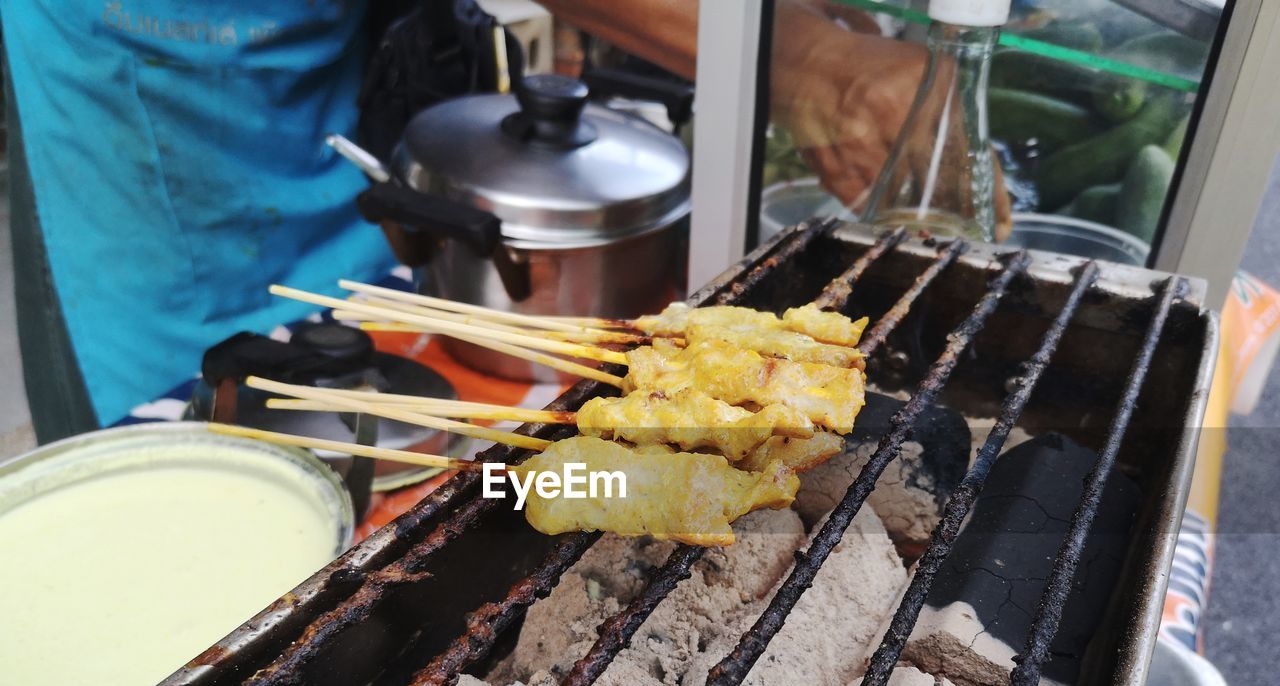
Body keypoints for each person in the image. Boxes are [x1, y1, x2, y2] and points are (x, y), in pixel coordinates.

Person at [1, 0, 960, 444]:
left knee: (381, 378)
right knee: (220, 432)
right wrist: (807, 64)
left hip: (316, 62)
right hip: (158, 78)